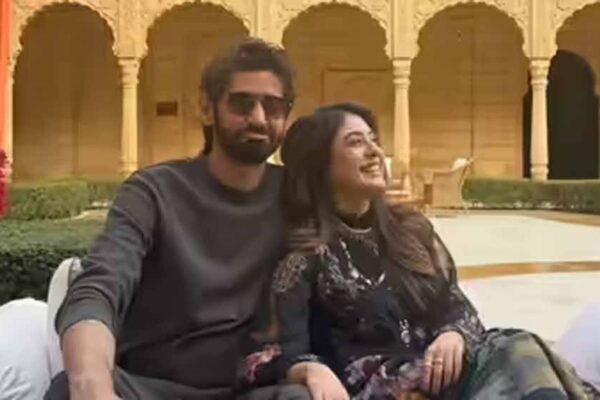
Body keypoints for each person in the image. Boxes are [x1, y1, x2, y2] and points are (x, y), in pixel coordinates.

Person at [245, 103, 600, 400]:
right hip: (381, 388)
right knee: (515, 356)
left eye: (373, 140)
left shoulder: (410, 231)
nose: (374, 151)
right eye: (355, 142)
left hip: (443, 378)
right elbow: (277, 350)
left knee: (517, 346)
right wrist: (310, 369)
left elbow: (457, 306)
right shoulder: (303, 253)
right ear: (320, 164)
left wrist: (453, 334)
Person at [45, 38, 309, 400]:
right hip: (150, 388)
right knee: (66, 390)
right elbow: (101, 286)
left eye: (273, 106)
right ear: (206, 108)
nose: (259, 118)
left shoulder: (297, 196)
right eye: (242, 103)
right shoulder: (154, 192)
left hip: (248, 390)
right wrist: (91, 384)